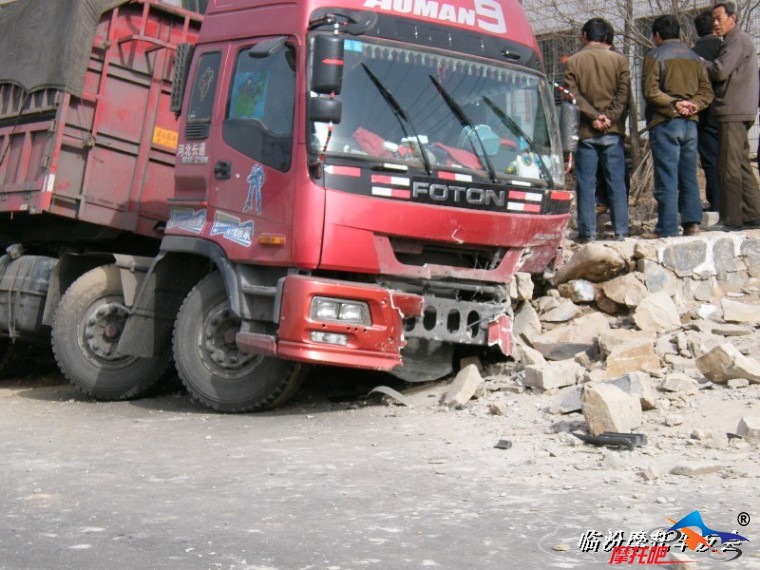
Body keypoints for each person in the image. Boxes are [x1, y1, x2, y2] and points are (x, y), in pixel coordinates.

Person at [642, 15, 713, 238]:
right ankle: (692, 223)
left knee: (667, 176)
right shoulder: (695, 58)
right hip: (690, 123)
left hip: (665, 122)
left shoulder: (655, 56)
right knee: (688, 174)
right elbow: (706, 92)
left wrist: (674, 103)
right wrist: (693, 104)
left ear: (657, 36)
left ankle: (667, 226)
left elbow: (651, 91)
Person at [564, 18, 630, 243]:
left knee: (585, 183)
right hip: (613, 131)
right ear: (606, 37)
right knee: (616, 182)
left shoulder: (574, 62)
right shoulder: (620, 61)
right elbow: (623, 96)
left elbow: (572, 96)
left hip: (586, 132)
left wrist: (594, 117)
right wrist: (609, 117)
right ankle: (621, 230)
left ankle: (587, 232)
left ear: (584, 36)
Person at [704, 2, 760, 230]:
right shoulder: (737, 40)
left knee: (728, 166)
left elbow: (720, 70)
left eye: (719, 19)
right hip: (739, 108)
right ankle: (754, 214)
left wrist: (702, 66)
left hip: (732, 110)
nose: (715, 24)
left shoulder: (737, 40)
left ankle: (732, 219)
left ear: (732, 19)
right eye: (713, 19)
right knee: (741, 164)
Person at [692, 10, 722, 212]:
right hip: (726, 109)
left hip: (703, 112)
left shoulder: (692, 53)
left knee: (710, 160)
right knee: (730, 158)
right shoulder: (725, 48)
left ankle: (716, 201)